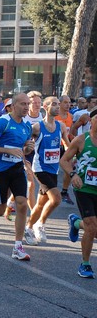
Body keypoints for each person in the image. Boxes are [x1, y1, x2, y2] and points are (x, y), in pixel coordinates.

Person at [0, 93, 36, 260]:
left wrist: (28, 149)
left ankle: (17, 247)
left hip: (17, 169)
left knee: (21, 204)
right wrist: (7, 150)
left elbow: (23, 151)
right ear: (13, 106)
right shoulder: (3, 122)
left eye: (28, 104)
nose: (26, 107)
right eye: (23, 104)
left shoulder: (27, 126)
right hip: (0, 169)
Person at [25, 96, 70, 244]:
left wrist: (74, 156)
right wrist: (25, 153)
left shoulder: (61, 126)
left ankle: (29, 226)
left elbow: (67, 145)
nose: (58, 107)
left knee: (40, 204)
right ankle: (40, 224)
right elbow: (24, 144)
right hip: (40, 168)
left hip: (54, 169)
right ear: (45, 107)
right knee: (56, 199)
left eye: (58, 104)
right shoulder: (37, 127)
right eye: (54, 104)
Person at [61, 107, 97, 278]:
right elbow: (64, 160)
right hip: (84, 188)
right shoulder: (82, 140)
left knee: (93, 228)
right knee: (91, 226)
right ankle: (85, 264)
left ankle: (76, 223)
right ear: (91, 121)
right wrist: (73, 174)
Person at [55, 95, 75, 205]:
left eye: (69, 102)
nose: (68, 105)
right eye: (66, 102)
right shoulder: (55, 116)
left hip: (66, 146)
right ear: (60, 104)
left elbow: (71, 131)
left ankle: (64, 191)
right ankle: (48, 190)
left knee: (69, 167)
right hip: (55, 146)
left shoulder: (70, 116)